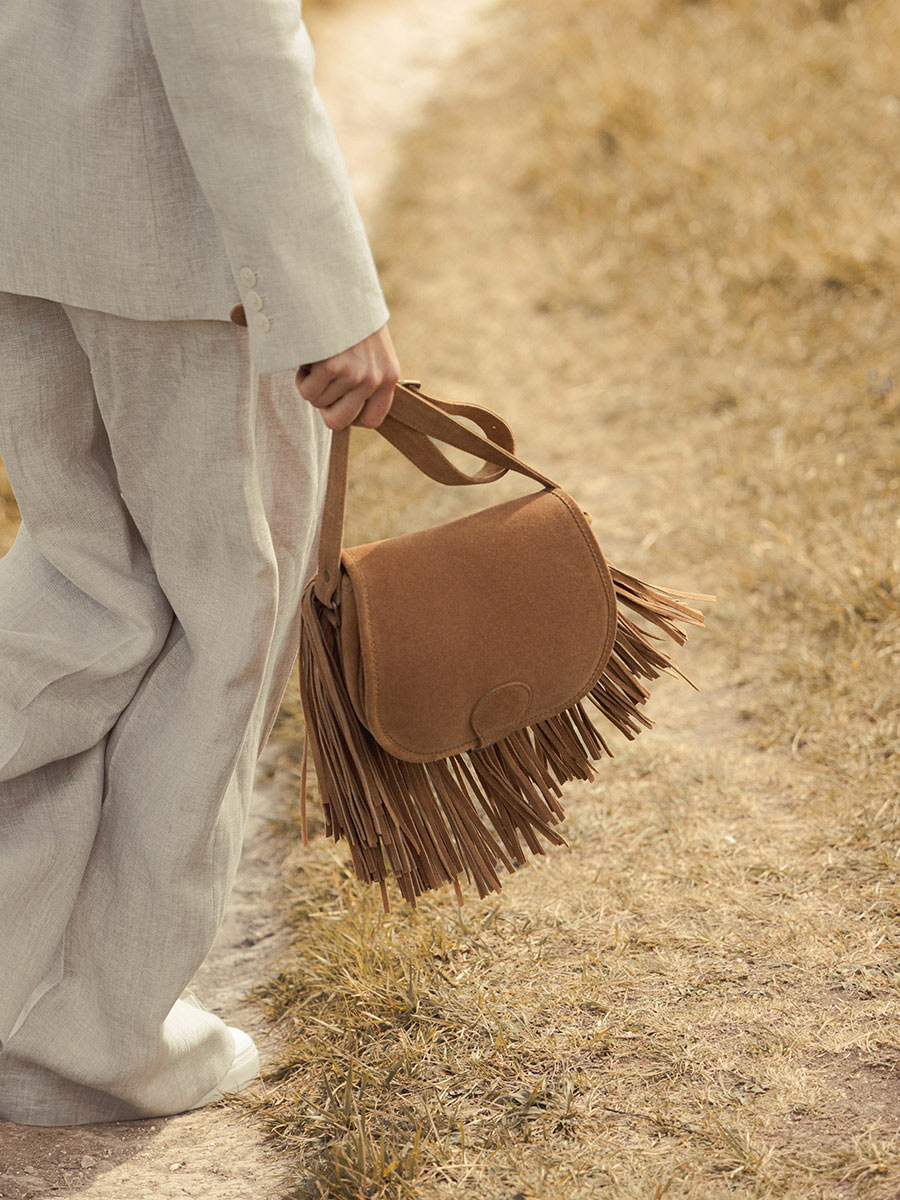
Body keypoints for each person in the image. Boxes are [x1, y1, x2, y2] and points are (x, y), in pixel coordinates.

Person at [0, 0, 400, 1126]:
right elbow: (227, 26)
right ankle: (89, 1040)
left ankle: (30, 999)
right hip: (174, 230)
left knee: (86, 589)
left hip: (23, 191)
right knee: (226, 615)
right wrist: (326, 291)